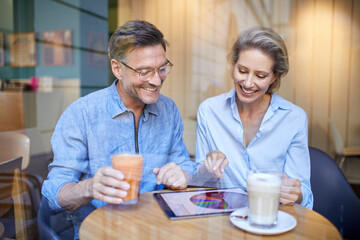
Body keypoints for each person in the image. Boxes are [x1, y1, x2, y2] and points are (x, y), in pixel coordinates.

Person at [41, 20, 196, 238]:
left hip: (159, 231)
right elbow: (54, 196)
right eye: (144, 71)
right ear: (117, 69)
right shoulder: (81, 114)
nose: (156, 80)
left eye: (162, 69)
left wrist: (183, 175)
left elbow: (184, 165)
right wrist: (90, 187)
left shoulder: (168, 109)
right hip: (100, 233)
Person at [193, 27, 313, 209]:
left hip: (273, 218)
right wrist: (206, 168)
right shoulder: (209, 111)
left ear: (274, 77)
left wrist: (296, 193)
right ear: (233, 65)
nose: (248, 83)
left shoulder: (294, 118)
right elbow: (198, 186)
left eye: (260, 76)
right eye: (242, 71)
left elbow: (304, 193)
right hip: (224, 219)